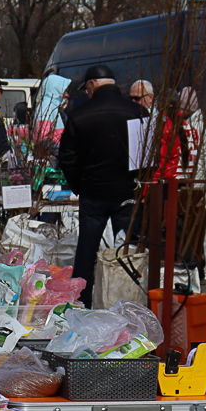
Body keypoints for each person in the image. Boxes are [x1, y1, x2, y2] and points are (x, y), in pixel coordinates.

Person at [59, 64, 144, 308]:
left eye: (86, 89)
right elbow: (146, 156)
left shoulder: (80, 114)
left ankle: (81, 306)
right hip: (127, 192)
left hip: (93, 193)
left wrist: (79, 185)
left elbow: (67, 157)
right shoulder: (138, 112)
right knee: (128, 252)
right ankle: (129, 303)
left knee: (86, 254)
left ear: (92, 84)